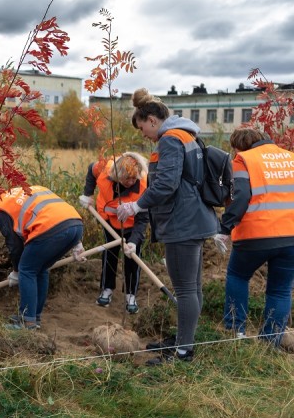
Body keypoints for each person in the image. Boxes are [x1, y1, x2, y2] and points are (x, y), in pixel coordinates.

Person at [117, 88, 218, 365]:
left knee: (185, 289)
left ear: (151, 120)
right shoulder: (188, 136)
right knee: (192, 287)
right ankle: (185, 339)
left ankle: (183, 351)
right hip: (193, 218)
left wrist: (136, 206)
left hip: (182, 222)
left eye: (142, 129)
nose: (143, 135)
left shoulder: (170, 140)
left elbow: (166, 184)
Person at [215, 128, 294, 346]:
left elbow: (240, 196)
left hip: (255, 235)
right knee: (280, 289)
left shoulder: (244, 159)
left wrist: (225, 228)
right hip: (291, 237)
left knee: (238, 276)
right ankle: (271, 340)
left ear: (239, 146)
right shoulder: (290, 157)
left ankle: (235, 332)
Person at [0, 186, 84, 329]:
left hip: (50, 229)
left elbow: (14, 245)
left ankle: (27, 322)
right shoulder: (17, 192)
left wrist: (16, 271)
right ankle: (33, 317)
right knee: (41, 268)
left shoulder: (1, 210)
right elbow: (57, 211)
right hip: (75, 225)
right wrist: (77, 241)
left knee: (27, 270)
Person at [80, 152, 149, 313]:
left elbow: (144, 218)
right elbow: (91, 169)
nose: (131, 182)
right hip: (109, 221)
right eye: (127, 179)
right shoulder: (106, 168)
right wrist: (87, 193)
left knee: (132, 257)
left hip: (133, 226)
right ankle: (107, 289)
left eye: (134, 178)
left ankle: (131, 294)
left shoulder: (145, 184)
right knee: (109, 253)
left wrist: (133, 241)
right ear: (117, 175)